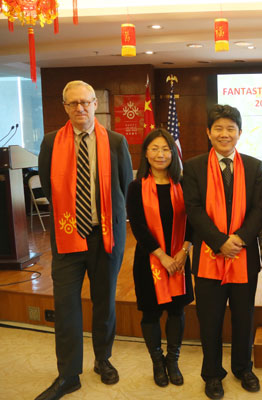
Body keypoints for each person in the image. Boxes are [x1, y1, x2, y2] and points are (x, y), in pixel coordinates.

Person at [36, 80, 133, 400]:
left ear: (95, 105)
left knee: (104, 301)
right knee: (65, 306)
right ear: (65, 107)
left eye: (85, 102)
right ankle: (68, 375)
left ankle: (102, 359)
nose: (80, 108)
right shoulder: (51, 142)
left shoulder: (116, 141)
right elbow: (49, 188)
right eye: (73, 103)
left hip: (105, 236)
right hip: (68, 236)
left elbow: (125, 187)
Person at [182, 104, 262, 400]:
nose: (224, 134)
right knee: (210, 320)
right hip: (209, 256)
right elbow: (193, 209)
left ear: (240, 133)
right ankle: (212, 374)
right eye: (218, 128)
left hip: (244, 256)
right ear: (208, 132)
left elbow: (259, 209)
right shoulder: (194, 167)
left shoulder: (254, 166)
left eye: (231, 128)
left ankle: (243, 368)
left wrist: (239, 239)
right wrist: (219, 241)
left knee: (244, 318)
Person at [126, 129, 194, 387]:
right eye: (154, 148)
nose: (160, 154)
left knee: (177, 310)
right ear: (146, 153)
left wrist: (183, 251)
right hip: (149, 259)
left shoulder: (184, 184)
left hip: (180, 258)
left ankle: (172, 360)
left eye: (165, 149)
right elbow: (138, 226)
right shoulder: (136, 187)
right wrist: (162, 257)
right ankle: (157, 362)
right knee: (150, 313)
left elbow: (193, 221)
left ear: (173, 153)